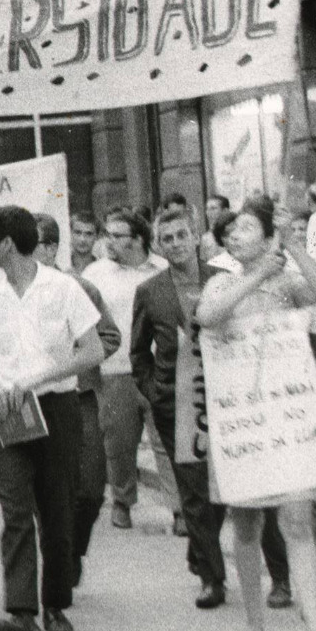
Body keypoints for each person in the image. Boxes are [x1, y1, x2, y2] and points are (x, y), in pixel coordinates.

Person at [196, 200, 316, 631]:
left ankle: (315, 630)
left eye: (247, 226)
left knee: (298, 522)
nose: (235, 233)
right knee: (247, 526)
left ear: (266, 235)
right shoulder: (221, 280)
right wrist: (256, 276)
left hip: (288, 419)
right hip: (245, 423)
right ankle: (254, 623)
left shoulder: (288, 282)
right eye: (231, 230)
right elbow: (209, 316)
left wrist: (294, 244)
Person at [0, 206, 105, 631]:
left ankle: (55, 604)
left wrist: (39, 376)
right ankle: (22, 613)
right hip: (9, 411)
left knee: (58, 510)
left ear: (8, 243)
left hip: (57, 406)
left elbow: (92, 351)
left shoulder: (63, 288)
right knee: (14, 511)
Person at [129, 206, 229, 609]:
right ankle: (212, 578)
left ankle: (199, 552)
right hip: (177, 406)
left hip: (224, 401)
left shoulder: (222, 280)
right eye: (167, 239)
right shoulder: (150, 291)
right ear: (158, 245)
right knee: (194, 491)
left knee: (223, 491)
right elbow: (138, 353)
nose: (175, 244)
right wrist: (155, 392)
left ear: (195, 236)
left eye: (181, 235)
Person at [31, 214, 120, 589]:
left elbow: (110, 337)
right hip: (31, 400)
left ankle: (72, 550)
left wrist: (76, 356)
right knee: (43, 490)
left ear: (51, 249)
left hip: (78, 397)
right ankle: (56, 562)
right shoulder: (5, 292)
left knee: (89, 488)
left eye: (31, 244)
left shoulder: (80, 287)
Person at [81, 208, 170, 529]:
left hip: (160, 367)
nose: (109, 242)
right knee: (119, 441)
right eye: (107, 235)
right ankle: (122, 501)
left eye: (117, 236)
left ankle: (179, 509)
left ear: (138, 238)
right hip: (115, 369)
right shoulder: (95, 273)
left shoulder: (163, 269)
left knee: (165, 439)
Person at [201, 196, 231, 263]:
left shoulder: (233, 235)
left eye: (213, 208)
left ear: (225, 211)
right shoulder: (205, 238)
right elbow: (204, 263)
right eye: (207, 209)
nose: (208, 213)